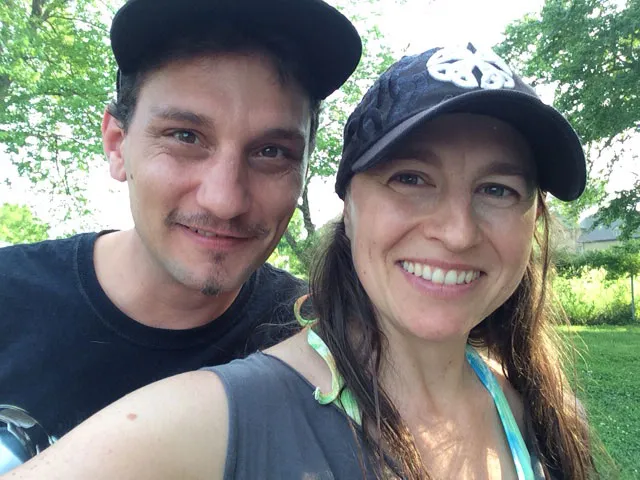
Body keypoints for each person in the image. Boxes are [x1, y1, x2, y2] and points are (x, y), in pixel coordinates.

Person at [3, 43, 597, 479]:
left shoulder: (536, 412)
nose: (458, 232)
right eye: (411, 178)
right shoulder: (210, 412)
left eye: (498, 189)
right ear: (349, 205)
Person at [0, 0, 362, 471]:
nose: (224, 200)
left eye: (271, 152)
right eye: (185, 137)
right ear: (117, 145)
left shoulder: (328, 347)